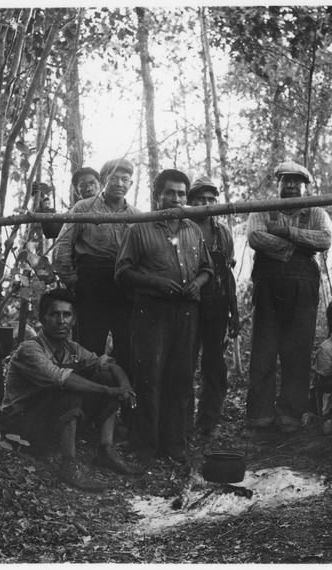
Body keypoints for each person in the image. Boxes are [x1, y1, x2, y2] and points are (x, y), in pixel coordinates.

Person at [115, 169, 213, 462]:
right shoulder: (139, 228)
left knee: (181, 377)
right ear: (157, 196)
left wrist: (197, 284)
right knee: (148, 377)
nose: (176, 199)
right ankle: (145, 445)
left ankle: (174, 444)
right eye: (169, 193)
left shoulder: (193, 229)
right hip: (151, 313)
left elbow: (207, 269)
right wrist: (156, 283)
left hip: (186, 313)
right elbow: (122, 272)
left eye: (181, 194)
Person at [2, 288, 140, 492]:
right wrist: (108, 391)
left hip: (51, 422)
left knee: (107, 377)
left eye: (67, 315)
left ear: (73, 319)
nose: (61, 321)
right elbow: (62, 379)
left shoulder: (72, 348)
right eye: (54, 314)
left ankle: (105, 450)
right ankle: (69, 465)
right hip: (23, 427)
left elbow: (107, 364)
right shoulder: (30, 349)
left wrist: (125, 387)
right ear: (42, 318)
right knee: (69, 387)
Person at [243, 161, 332, 436]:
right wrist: (295, 246)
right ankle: (259, 417)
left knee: (297, 351)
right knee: (263, 351)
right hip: (269, 289)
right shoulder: (262, 209)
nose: (291, 185)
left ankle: (290, 415)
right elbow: (256, 238)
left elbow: (325, 240)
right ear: (278, 183)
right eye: (286, 180)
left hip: (303, 289)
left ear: (306, 186)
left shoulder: (316, 211)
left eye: (297, 181)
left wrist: (288, 232)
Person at [53, 158, 140, 376]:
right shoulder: (84, 207)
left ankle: (120, 399)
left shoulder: (138, 216)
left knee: (127, 345)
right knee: (88, 347)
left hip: (126, 284)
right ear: (103, 181)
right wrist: (73, 280)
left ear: (131, 183)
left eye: (125, 179)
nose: (119, 183)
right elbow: (62, 245)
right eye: (114, 178)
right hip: (91, 282)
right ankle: (87, 403)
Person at [186, 176, 240, 437]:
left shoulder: (223, 232)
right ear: (190, 202)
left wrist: (234, 312)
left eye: (211, 200)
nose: (206, 205)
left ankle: (208, 421)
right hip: (187, 305)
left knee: (214, 364)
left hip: (217, 305)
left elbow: (227, 274)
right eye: (200, 200)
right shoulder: (181, 228)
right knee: (184, 362)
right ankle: (182, 420)